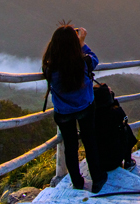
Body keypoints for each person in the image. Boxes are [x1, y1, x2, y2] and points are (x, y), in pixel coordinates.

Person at [42, 25, 107, 193]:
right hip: (85, 106)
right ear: (74, 43)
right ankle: (98, 179)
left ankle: (77, 182)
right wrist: (82, 42)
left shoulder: (49, 67)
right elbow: (95, 59)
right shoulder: (83, 62)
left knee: (70, 146)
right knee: (90, 141)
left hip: (63, 111)